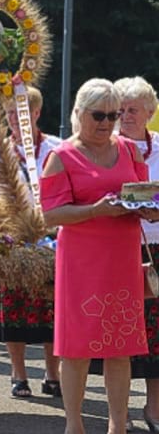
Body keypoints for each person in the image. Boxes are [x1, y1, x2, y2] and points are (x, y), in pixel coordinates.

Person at [41, 78, 151, 434]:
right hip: (81, 262)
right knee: (77, 348)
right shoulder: (61, 157)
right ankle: (75, 425)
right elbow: (50, 215)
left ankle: (117, 426)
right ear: (79, 114)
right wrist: (95, 210)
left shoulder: (131, 151)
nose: (106, 123)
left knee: (121, 348)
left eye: (112, 115)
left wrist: (149, 209)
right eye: (98, 115)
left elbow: (146, 195)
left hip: (122, 258)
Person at [0, 87, 62, 399]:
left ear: (36, 113)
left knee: (53, 308)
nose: (17, 122)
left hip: (52, 237)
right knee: (12, 308)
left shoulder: (57, 149)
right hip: (11, 237)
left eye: (24, 114)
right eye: (11, 116)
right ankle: (18, 373)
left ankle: (52, 373)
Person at [115, 76, 159, 431]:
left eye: (133, 110)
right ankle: (120, 411)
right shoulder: (107, 149)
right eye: (121, 110)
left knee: (157, 334)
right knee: (120, 330)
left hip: (157, 249)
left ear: (150, 113)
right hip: (116, 248)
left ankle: (154, 408)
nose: (126, 116)